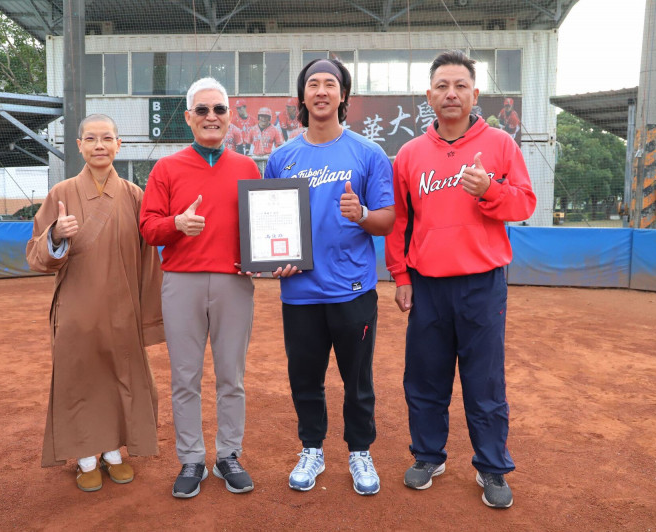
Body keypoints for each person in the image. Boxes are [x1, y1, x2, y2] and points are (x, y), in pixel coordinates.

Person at [384, 50, 536, 509]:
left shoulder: (501, 145)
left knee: (484, 380)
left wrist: (490, 190)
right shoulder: (409, 154)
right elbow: (398, 222)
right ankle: (428, 455)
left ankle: (492, 466)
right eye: (442, 86)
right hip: (428, 284)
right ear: (429, 95)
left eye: (461, 86)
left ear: (475, 94)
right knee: (425, 377)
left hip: (482, 283)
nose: (451, 93)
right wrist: (400, 275)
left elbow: (524, 204)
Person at [264, 58, 395, 496]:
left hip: (352, 288)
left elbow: (388, 220)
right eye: (313, 84)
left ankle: (360, 451)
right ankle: (312, 448)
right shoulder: (281, 158)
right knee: (305, 378)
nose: (321, 91)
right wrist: (272, 259)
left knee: (357, 379)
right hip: (299, 291)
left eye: (330, 84)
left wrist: (362, 215)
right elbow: (270, 225)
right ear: (302, 97)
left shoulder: (368, 153)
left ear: (343, 96)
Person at [26, 113, 165, 493]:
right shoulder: (62, 193)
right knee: (81, 379)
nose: (99, 145)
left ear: (119, 145)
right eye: (91, 139)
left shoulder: (136, 195)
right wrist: (56, 234)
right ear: (79, 146)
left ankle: (113, 451)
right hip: (77, 308)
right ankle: (86, 457)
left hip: (123, 308)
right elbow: (36, 254)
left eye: (107, 138)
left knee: (122, 377)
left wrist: (148, 316)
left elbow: (149, 258)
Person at [140, 77, 260, 498]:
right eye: (203, 110)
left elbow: (260, 227)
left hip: (234, 283)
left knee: (232, 377)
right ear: (188, 117)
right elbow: (148, 227)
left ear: (229, 118)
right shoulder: (166, 168)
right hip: (181, 282)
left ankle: (228, 455)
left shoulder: (248, 167)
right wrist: (176, 224)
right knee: (185, 378)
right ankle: (191, 458)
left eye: (220, 110)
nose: (212, 117)